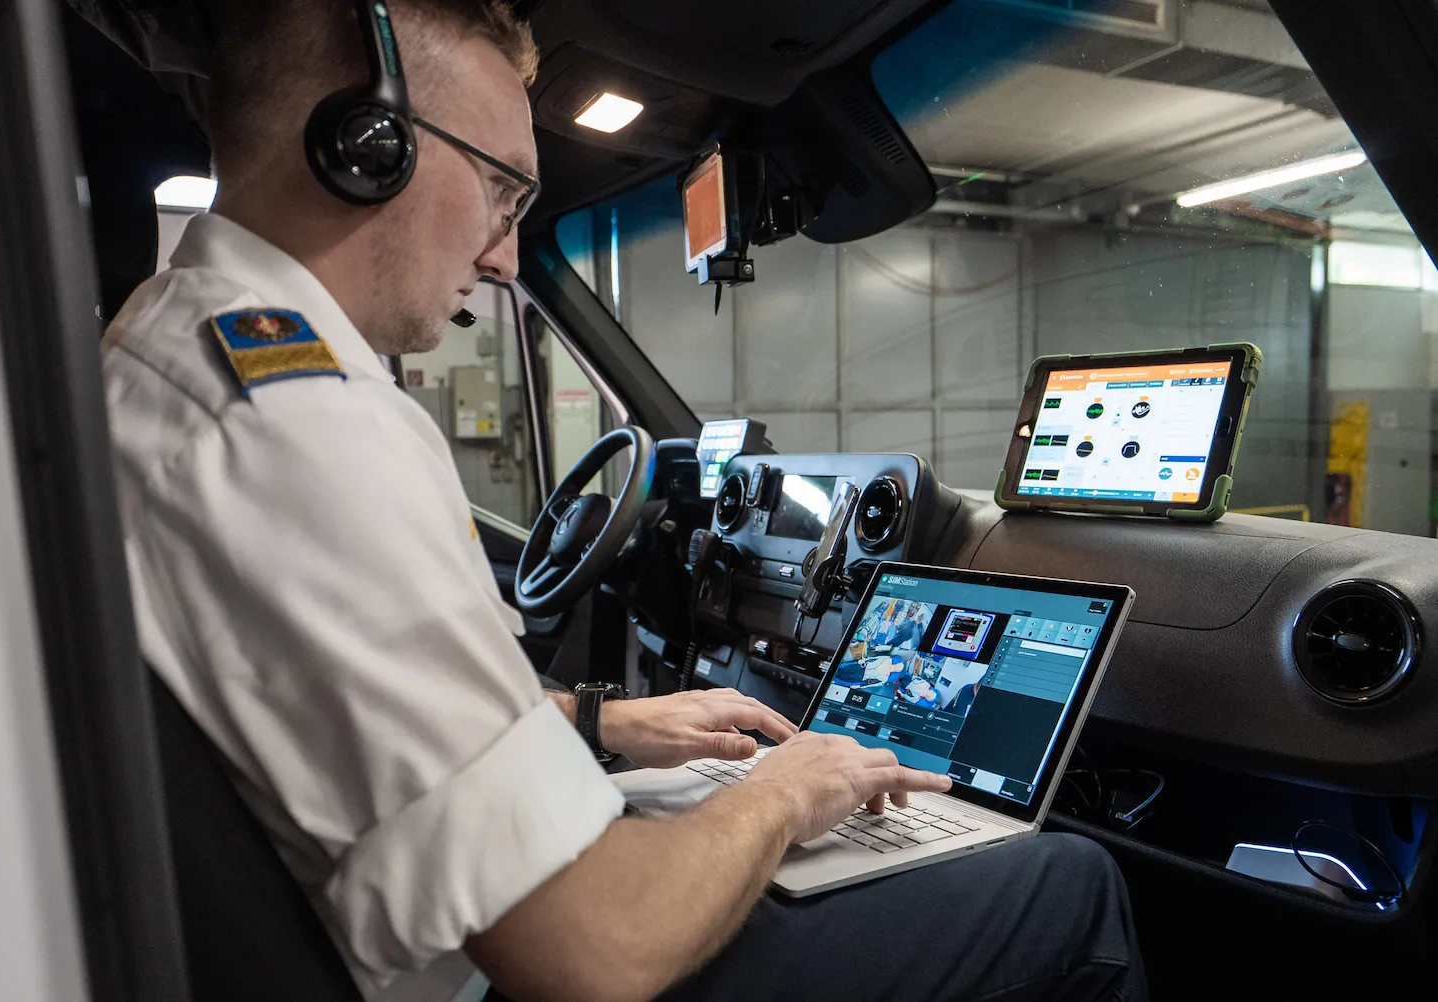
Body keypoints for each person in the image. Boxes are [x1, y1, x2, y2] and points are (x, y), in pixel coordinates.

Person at [100, 1, 1147, 1000]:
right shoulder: (305, 430)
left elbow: (318, 706)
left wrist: (604, 720)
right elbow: (593, 949)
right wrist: (791, 792)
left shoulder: (169, 348)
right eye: (507, 189)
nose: (508, 256)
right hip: (489, 975)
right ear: (370, 143)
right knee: (1069, 885)